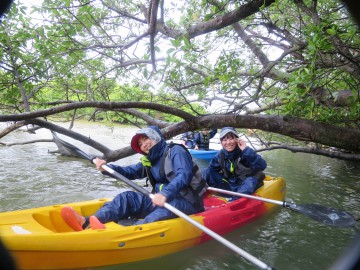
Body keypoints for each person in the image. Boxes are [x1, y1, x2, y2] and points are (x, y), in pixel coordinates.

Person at [61, 125, 207, 230]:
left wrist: (165, 194)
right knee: (126, 198)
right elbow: (128, 172)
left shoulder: (176, 151)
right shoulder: (150, 160)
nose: (144, 145)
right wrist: (106, 168)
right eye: (140, 144)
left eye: (145, 139)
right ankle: (87, 222)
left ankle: (128, 232)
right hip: (160, 200)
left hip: (187, 202)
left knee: (159, 215)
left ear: (155, 137)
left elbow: (184, 175)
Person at [202, 127, 266, 201]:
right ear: (221, 142)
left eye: (231, 139)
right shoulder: (220, 155)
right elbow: (211, 171)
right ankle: (198, 194)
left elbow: (262, 166)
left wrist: (246, 150)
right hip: (230, 185)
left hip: (245, 184)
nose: (228, 142)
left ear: (237, 139)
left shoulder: (246, 152)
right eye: (224, 140)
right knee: (205, 172)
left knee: (251, 180)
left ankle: (233, 202)